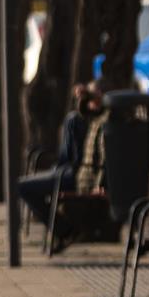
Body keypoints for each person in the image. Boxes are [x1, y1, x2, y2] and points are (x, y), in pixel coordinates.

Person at [16, 82, 99, 224]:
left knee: (20, 186)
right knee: (22, 185)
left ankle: (61, 228)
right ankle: (60, 226)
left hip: (76, 174)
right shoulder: (90, 119)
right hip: (77, 172)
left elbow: (69, 159)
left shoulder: (79, 120)